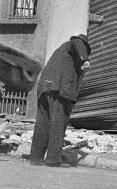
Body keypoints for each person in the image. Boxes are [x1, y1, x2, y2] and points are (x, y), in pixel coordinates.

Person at [29, 34, 92, 167]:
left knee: (43, 123)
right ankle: (53, 159)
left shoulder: (63, 52)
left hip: (45, 87)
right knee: (58, 123)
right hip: (59, 89)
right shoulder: (76, 43)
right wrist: (84, 60)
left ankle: (36, 158)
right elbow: (78, 44)